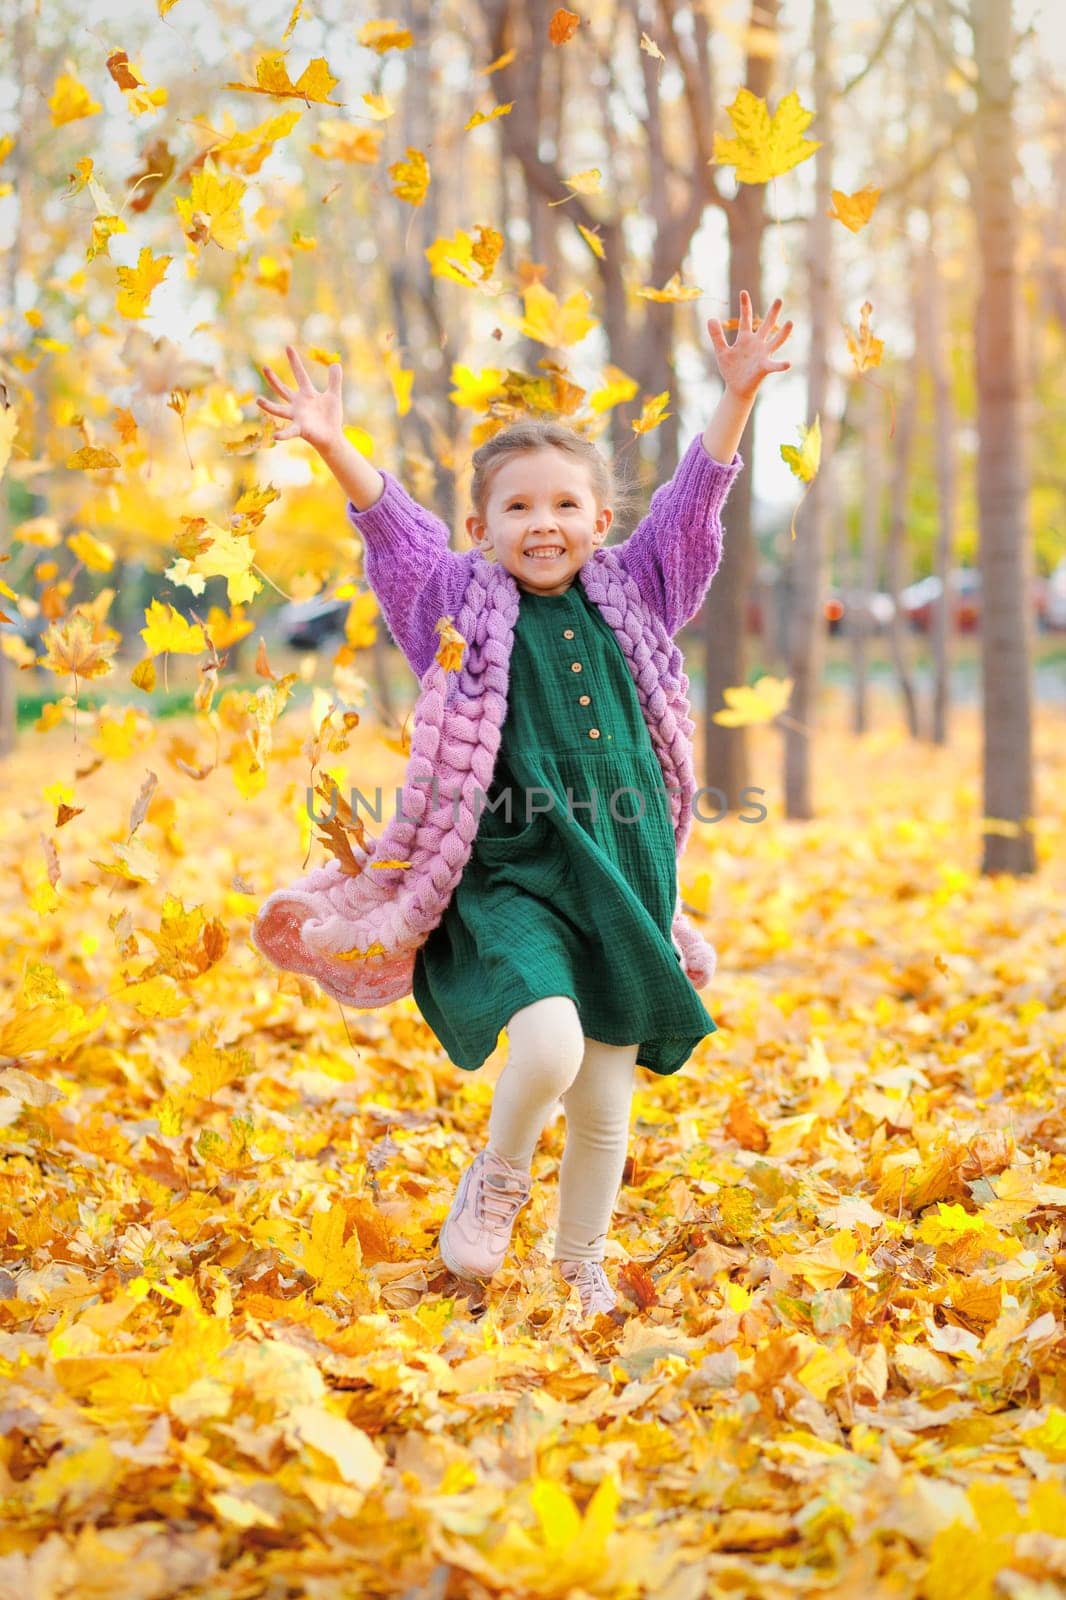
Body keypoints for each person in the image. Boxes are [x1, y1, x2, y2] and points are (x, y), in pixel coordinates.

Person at [253, 291, 792, 1318]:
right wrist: (333, 446)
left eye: (561, 506)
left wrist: (731, 405)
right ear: (480, 526)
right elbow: (393, 530)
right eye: (516, 507)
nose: (540, 523)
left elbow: (692, 510)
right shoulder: (452, 606)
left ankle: (580, 1263)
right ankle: (494, 1179)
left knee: (601, 1098)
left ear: (597, 520)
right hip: (507, 869)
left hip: (624, 870)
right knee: (543, 1043)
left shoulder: (639, 590)